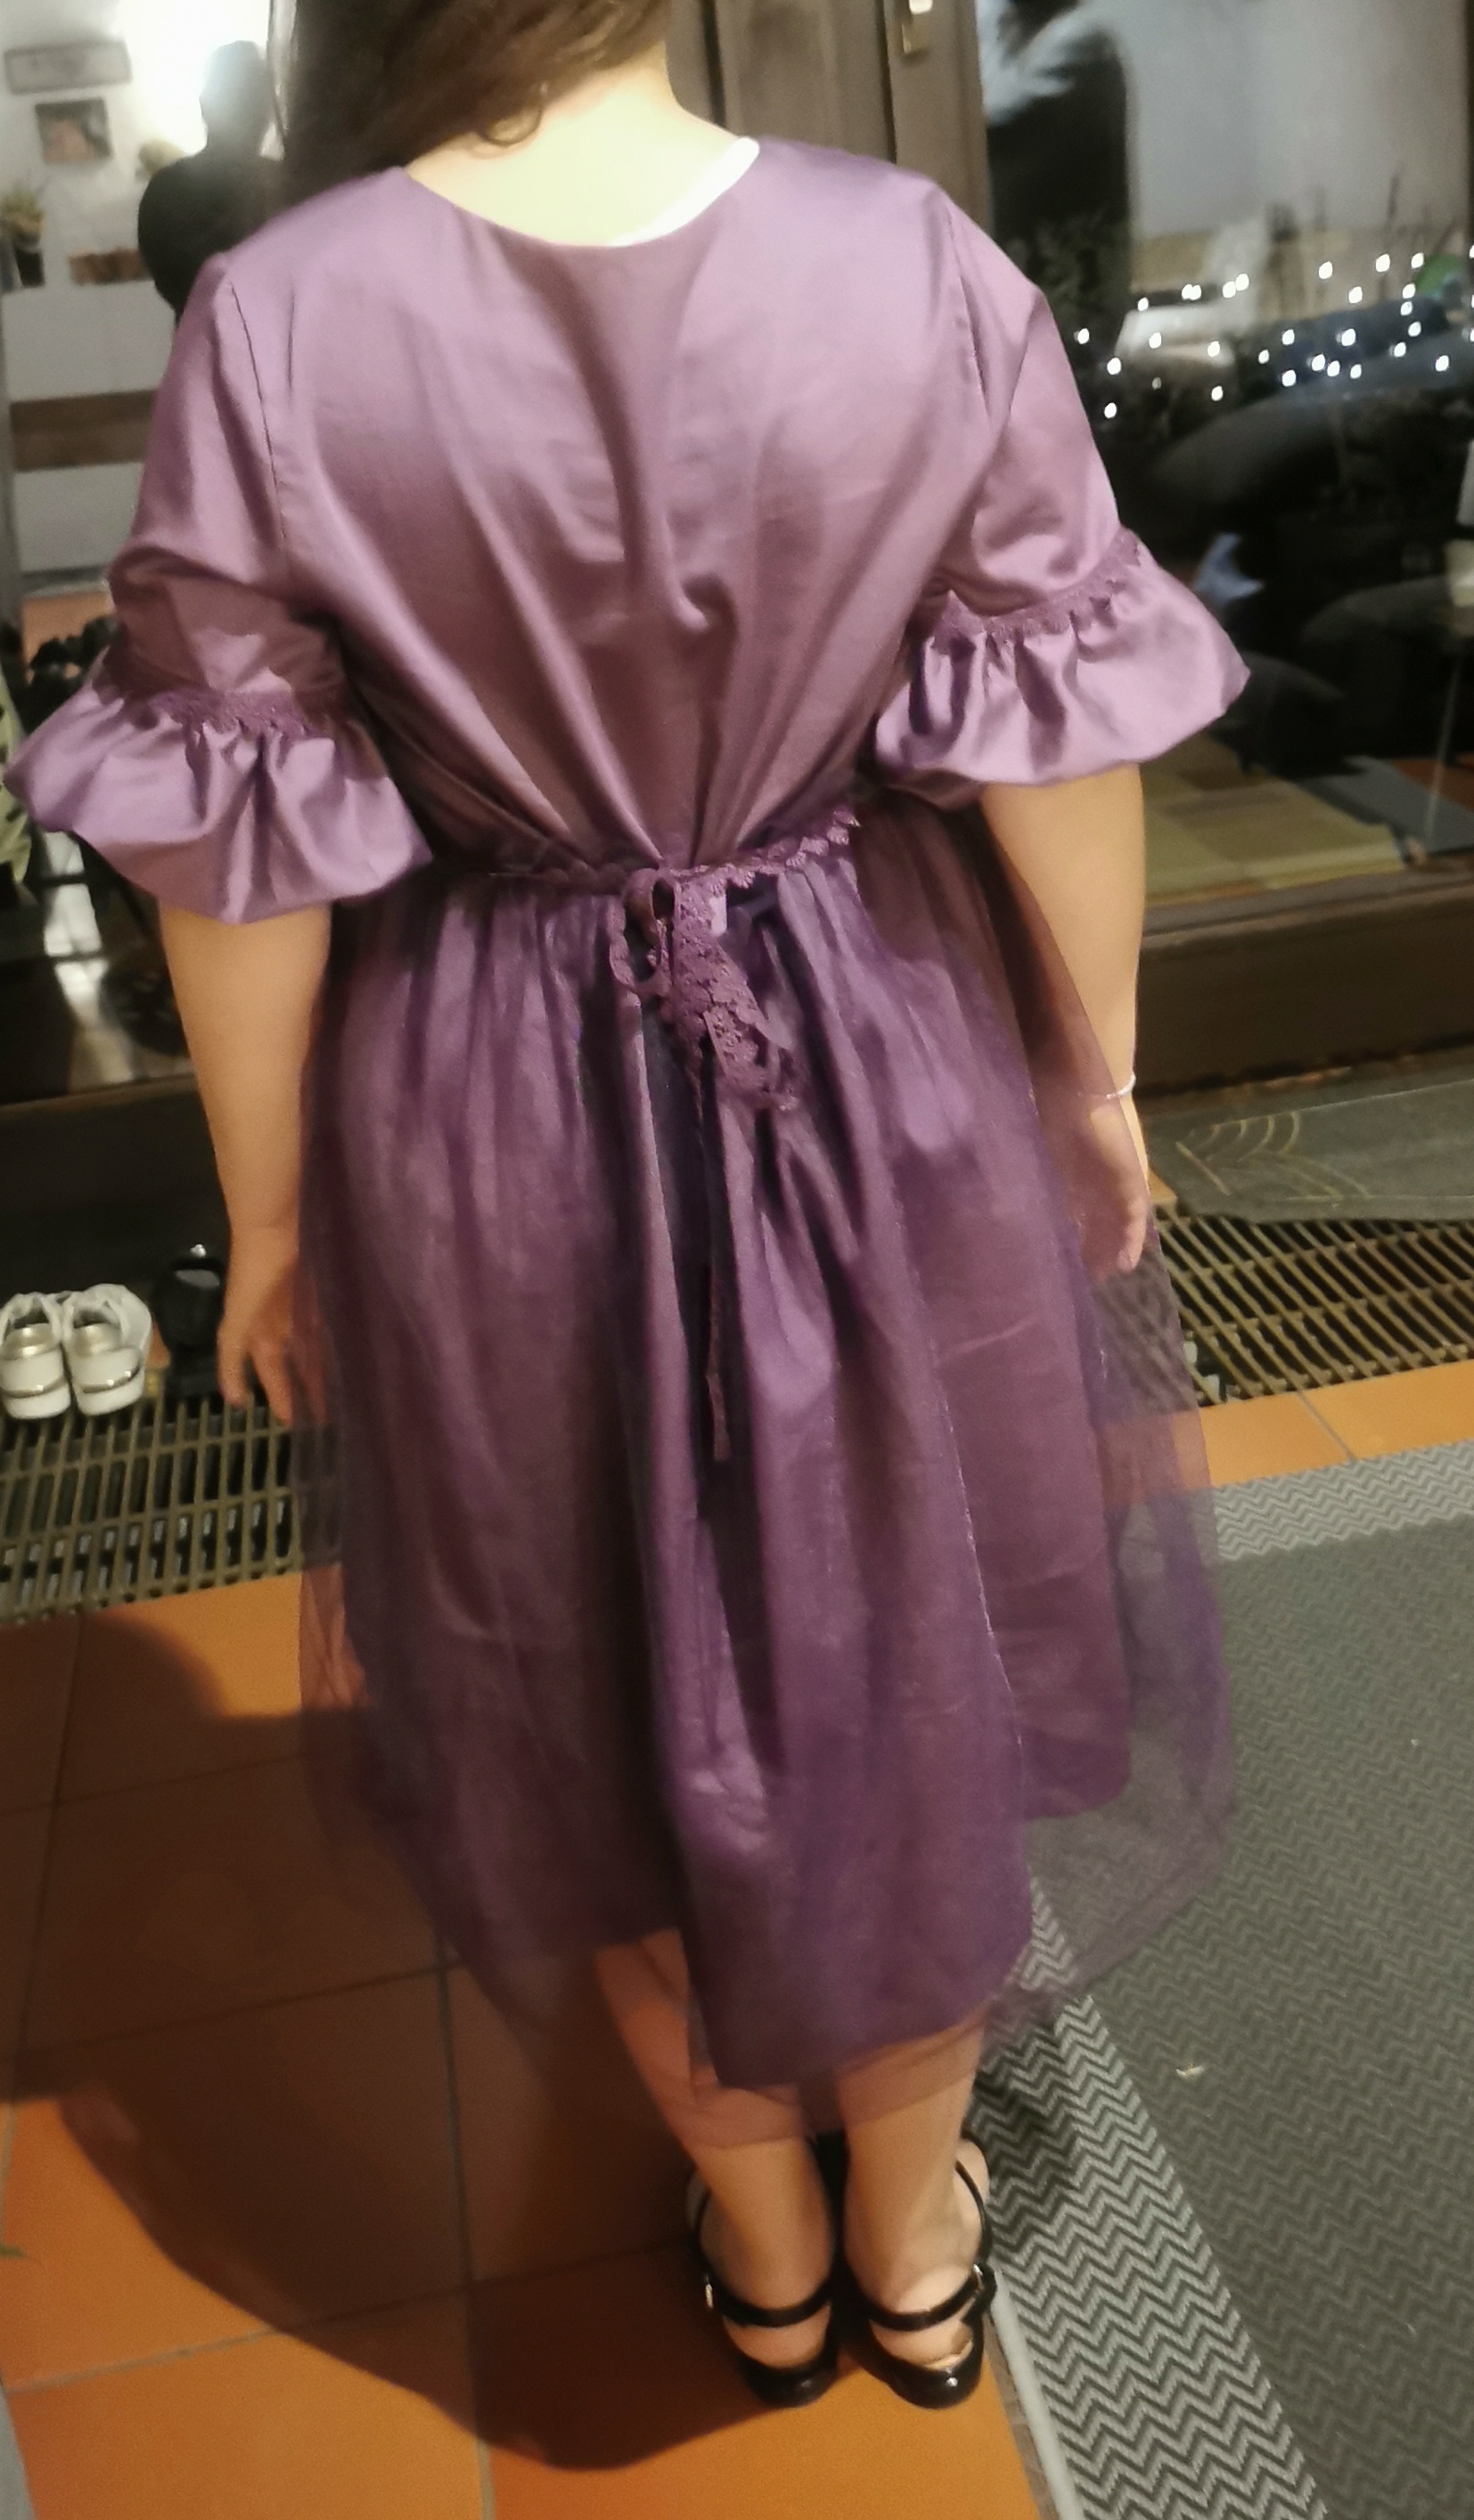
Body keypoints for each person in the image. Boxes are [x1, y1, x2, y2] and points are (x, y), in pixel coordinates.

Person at [6, 0, 1242, 2413]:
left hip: (487, 1095)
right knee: (906, 1658)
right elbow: (1056, 744)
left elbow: (233, 864)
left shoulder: (278, 313)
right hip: (878, 1049)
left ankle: (761, 2242)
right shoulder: (910, 259)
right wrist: (1091, 1075)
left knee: (580, 1687)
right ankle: (906, 2243)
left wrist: (275, 1215)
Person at [979, 0, 1133, 361]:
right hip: (1041, 318)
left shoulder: (1085, 50)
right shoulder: (1011, 32)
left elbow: (994, 121)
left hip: (1069, 318)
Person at [136, 41, 279, 319]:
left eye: (258, 102)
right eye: (245, 102)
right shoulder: (170, 191)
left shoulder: (287, 182)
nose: (258, 116)